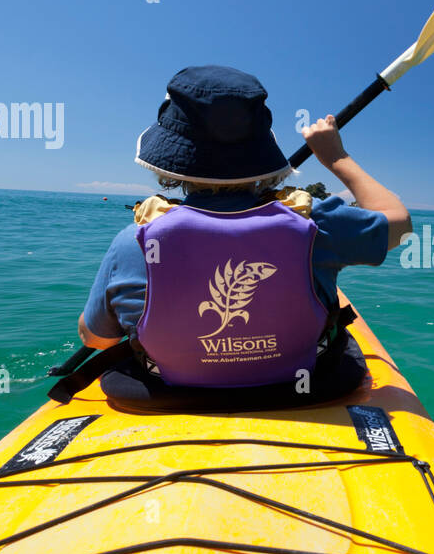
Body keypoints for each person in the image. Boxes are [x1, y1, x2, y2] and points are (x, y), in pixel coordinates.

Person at [78, 65, 411, 390]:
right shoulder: (316, 222)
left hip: (166, 390)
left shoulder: (133, 242)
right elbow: (401, 224)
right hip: (307, 384)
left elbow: (97, 338)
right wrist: (336, 157)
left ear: (170, 164)